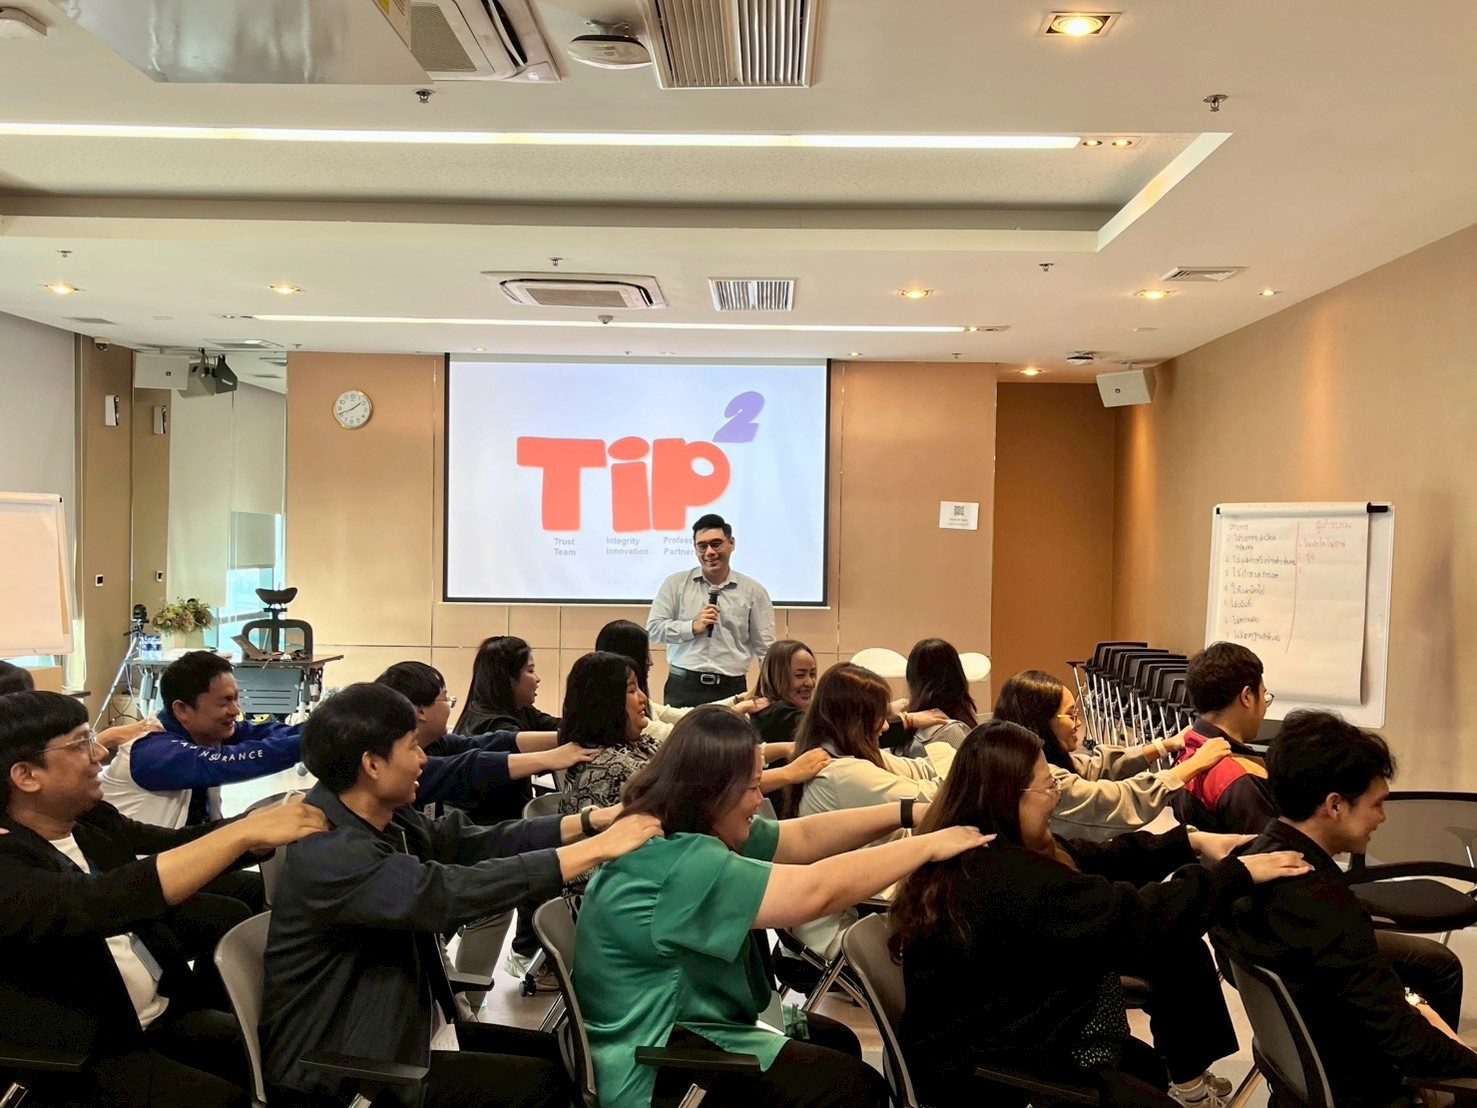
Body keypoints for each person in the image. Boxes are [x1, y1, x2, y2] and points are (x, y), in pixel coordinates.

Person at [260, 682, 663, 1108]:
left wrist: (591, 822)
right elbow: (442, 894)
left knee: (562, 1061)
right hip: (343, 1071)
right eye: (413, 748)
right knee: (544, 1086)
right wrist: (595, 850)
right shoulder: (332, 851)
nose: (423, 760)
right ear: (372, 765)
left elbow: (473, 843)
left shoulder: (385, 817)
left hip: (400, 1031)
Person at [575, 705, 988, 1108]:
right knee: (856, 1087)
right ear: (712, 791)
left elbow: (802, 839)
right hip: (657, 1064)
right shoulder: (679, 863)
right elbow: (815, 891)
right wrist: (928, 845)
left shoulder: (680, 827)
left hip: (680, 1028)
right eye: (752, 788)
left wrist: (908, 813)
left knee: (839, 1041)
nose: (760, 800)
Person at [889, 720, 1311, 1108]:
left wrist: (1191, 843)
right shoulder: (1006, 877)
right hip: (996, 1069)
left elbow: (1095, 858)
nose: (1056, 796)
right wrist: (1235, 875)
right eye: (1048, 787)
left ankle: (1188, 1080)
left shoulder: (981, 846)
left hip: (1013, 1032)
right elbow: (1133, 917)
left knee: (1154, 1043)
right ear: (1009, 797)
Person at [0, 689, 327, 1108]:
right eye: (80, 744)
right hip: (85, 1049)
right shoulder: (8, 861)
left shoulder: (86, 819)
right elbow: (100, 900)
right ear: (26, 776)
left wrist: (251, 831)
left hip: (150, 1012)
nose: (100, 752)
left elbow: (165, 844)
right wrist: (242, 833)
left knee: (282, 1056)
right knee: (223, 1098)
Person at [1224, 710, 1477, 1107]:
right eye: (1376, 805)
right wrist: (1469, 1063)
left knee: (1434, 965)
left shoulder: (1253, 860)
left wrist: (1410, 1004)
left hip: (1301, 1062)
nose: (1382, 818)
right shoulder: (1326, 904)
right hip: (1355, 1081)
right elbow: (1403, 1039)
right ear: (1335, 806)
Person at [374, 660, 599, 1002]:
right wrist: (553, 759)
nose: (421, 759)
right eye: (445, 698)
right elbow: (468, 768)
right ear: (419, 711)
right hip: (417, 922)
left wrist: (582, 819)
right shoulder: (363, 839)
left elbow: (491, 747)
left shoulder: (428, 753)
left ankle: (463, 1004)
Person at [785, 662, 943, 958]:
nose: (885, 727)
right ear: (856, 719)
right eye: (878, 717)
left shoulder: (835, 752)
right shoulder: (844, 773)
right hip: (844, 931)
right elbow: (930, 798)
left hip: (850, 911)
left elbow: (918, 770)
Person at [994, 669, 1232, 841]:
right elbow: (1113, 802)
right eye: (1071, 714)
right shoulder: (1037, 780)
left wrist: (1165, 746)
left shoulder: (1023, 756)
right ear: (1041, 721)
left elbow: (1093, 767)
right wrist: (1194, 765)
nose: (1078, 723)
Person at [100, 650, 303, 830]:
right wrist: (310, 743)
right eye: (224, 702)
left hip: (186, 852)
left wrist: (319, 730)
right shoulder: (150, 750)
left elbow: (276, 733)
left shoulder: (209, 731)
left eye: (236, 698)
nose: (235, 710)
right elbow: (222, 763)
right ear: (182, 709)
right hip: (144, 860)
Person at [647, 513, 776, 707]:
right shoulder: (675, 584)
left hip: (731, 687)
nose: (709, 552)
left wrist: (771, 692)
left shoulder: (753, 592)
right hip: (683, 686)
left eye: (716, 544)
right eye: (702, 546)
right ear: (695, 549)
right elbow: (654, 630)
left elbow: (765, 648)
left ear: (731, 544)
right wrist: (693, 627)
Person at [594, 619, 768, 742]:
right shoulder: (619, 713)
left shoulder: (639, 704)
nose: (651, 662)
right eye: (645, 654)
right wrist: (738, 710)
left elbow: (684, 716)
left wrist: (738, 700)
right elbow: (679, 736)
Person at [1174, 642, 1281, 833]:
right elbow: (1268, 850)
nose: (1265, 707)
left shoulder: (1186, 750)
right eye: (1264, 696)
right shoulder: (1240, 779)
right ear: (1247, 697)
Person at [455, 635, 562, 740]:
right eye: (530, 671)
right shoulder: (494, 726)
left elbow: (560, 727)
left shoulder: (523, 711)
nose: (537, 679)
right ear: (508, 678)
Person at [747, 639, 819, 744]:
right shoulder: (783, 714)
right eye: (800, 675)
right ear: (776, 677)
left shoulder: (764, 710)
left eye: (812, 674)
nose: (810, 683)